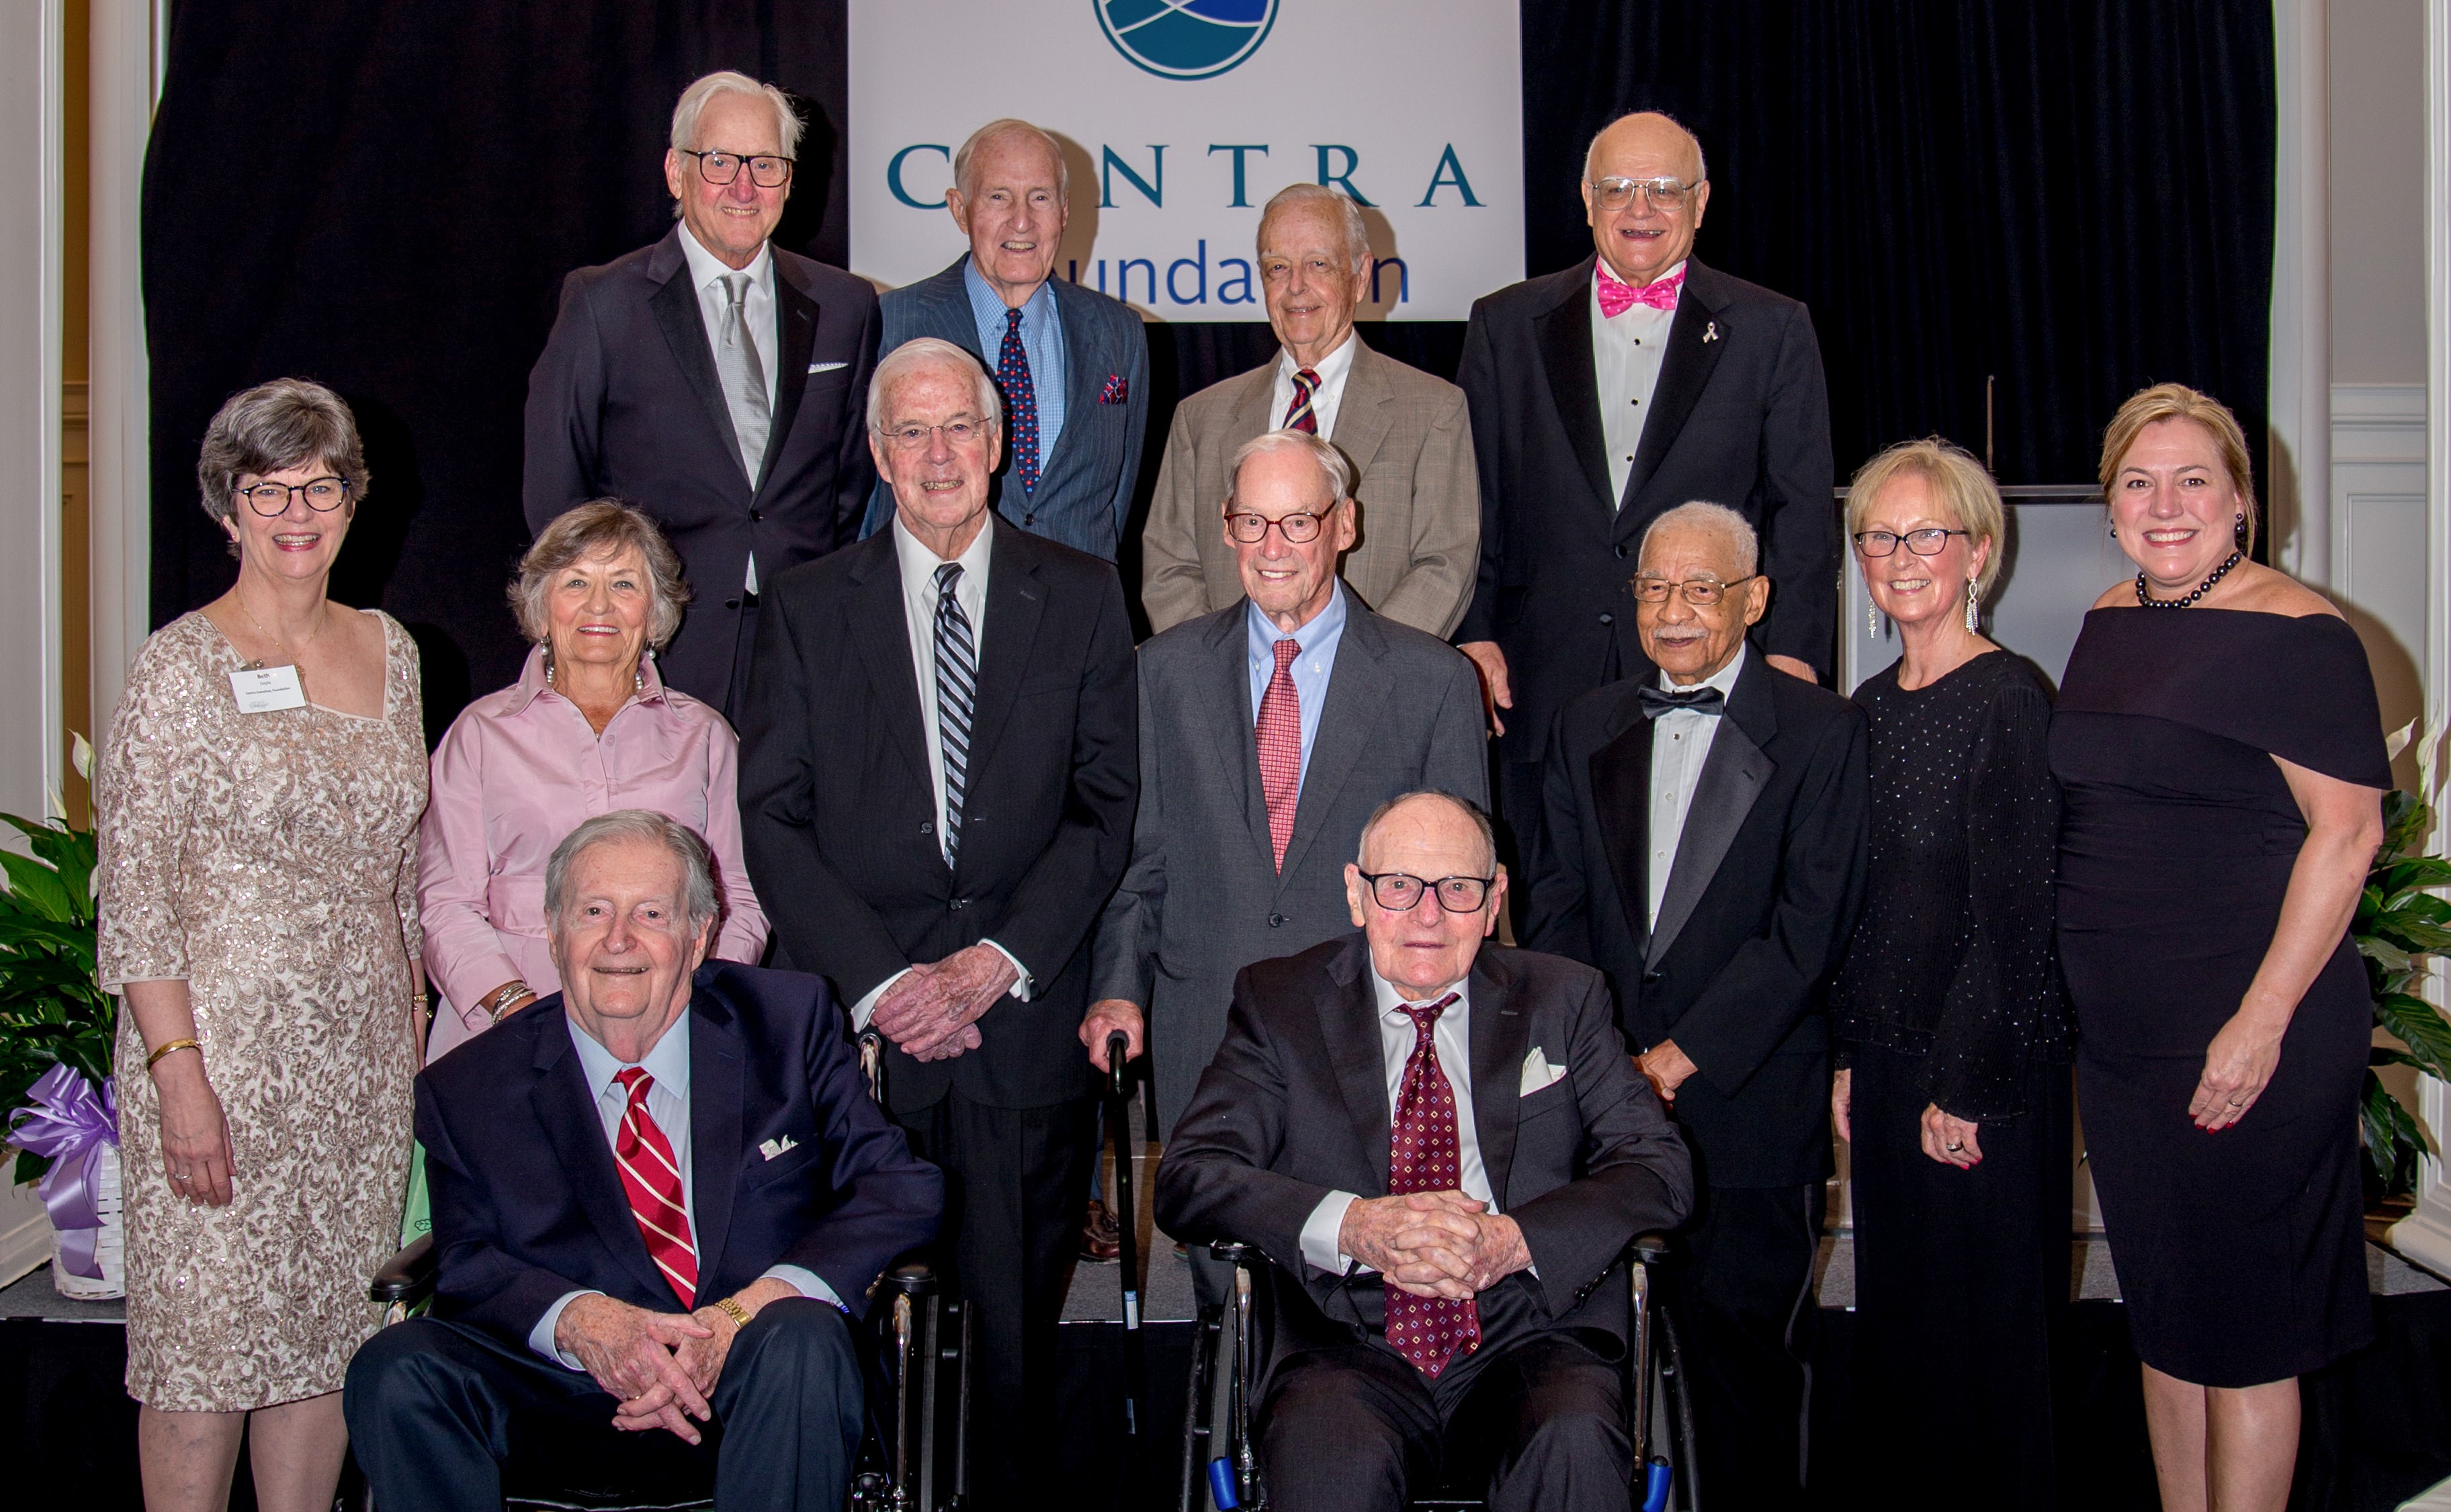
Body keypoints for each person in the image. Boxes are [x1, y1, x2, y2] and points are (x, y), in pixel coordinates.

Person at [736, 336, 1137, 1486]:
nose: (937, 453)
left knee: (1012, 1347)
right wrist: (888, 985)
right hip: (866, 1048)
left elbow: (1105, 808)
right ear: (876, 453)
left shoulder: (1080, 593)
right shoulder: (811, 605)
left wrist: (992, 963)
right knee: (843, 1336)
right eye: (909, 433)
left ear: (999, 441)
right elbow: (773, 818)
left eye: (958, 426)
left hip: (1020, 1028)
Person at [345, 811, 942, 1511]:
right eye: (593, 911)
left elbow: (901, 1187)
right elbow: (469, 1259)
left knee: (804, 1337)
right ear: (552, 930)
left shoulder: (787, 1021)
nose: (619, 939)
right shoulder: (470, 1084)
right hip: (562, 1394)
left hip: (756, 1384)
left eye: (651, 913)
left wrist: (746, 1312)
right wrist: (583, 1321)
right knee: (395, 1367)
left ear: (698, 937)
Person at [1156, 791, 1693, 1512]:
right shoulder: (1279, 1001)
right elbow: (1191, 1176)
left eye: (1459, 889)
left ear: (1496, 896)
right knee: (1327, 1458)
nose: (1428, 915)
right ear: (1356, 892)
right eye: (1400, 885)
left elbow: (1657, 1168)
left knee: (1572, 1440)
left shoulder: (1564, 998)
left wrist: (1511, 1240)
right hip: (1343, 1336)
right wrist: (1356, 1227)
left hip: (1527, 1331)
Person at [2052, 384, 2388, 1512]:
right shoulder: (2107, 616)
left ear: (2240, 501)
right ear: (2109, 507)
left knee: (2244, 1334)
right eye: (2137, 482)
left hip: (2252, 1028)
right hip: (2127, 1048)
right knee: (2164, 1316)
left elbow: (2346, 838)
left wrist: (2257, 1023)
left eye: (2193, 478)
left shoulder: (2298, 635)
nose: (2164, 503)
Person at [96, 377, 428, 1512]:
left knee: (328, 1343)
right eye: (266, 488)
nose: (298, 511)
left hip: (360, 1075)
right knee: (206, 1353)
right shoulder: (178, 667)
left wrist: (417, 1030)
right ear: (227, 508)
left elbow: (402, 872)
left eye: (321, 484)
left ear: (353, 499)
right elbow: (134, 890)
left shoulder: (392, 653)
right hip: (221, 1062)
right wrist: (173, 1072)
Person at [1523, 500, 1867, 1507]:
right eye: (1653, 587)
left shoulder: (1822, 732)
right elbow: (1555, 901)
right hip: (1602, 1116)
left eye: (1701, 587)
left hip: (1751, 1108)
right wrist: (1607, 1062)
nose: (1673, 611)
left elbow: (1808, 931)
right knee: (1600, 1374)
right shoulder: (1583, 722)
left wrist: (1671, 1061)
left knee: (1750, 1374)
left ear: (1755, 598)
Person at [1085, 429, 1487, 1291]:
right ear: (1225, 529)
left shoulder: (1434, 681)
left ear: (1345, 525)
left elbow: (1460, 894)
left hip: (1368, 1040)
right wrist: (1116, 989)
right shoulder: (1159, 673)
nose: (1272, 549)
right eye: (1251, 523)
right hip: (1207, 1036)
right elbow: (1137, 864)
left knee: (1364, 1311)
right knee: (1220, 1307)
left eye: (1297, 523)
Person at [1455, 111, 1835, 864]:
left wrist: (1793, 654)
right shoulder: (1506, 324)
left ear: (1700, 203)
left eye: (1664, 189)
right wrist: (1476, 628)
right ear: (1587, 200)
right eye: (1620, 188)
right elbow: (1479, 499)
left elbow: (1800, 509)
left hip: (1708, 664)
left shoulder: (1773, 330)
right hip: (1542, 678)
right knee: (1549, 912)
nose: (1641, 210)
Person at [1825, 439, 2070, 1506]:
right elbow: (1851, 908)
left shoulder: (2012, 697)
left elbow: (2018, 917)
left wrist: (1963, 1084)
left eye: (1926, 534)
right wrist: (1844, 1059)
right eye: (1879, 536)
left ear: (1978, 552)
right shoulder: (1865, 707)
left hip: (1982, 1071)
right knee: (1905, 1335)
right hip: (1882, 1066)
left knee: (1988, 1346)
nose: (1900, 555)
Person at [524, 71, 883, 717]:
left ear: (790, 179)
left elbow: (850, 488)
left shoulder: (846, 305)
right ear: (675, 171)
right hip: (655, 653)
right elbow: (556, 496)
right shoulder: (604, 305)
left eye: (766, 164)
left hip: (803, 652)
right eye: (720, 161)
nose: (744, 187)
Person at [418, 500, 769, 1063]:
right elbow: (445, 904)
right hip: (504, 1034)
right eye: (576, 582)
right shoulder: (480, 734)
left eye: (624, 583)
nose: (599, 605)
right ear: (541, 607)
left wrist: (693, 1005)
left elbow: (741, 899)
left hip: (668, 1038)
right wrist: (520, 1013)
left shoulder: (704, 737)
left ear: (653, 610)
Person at [1141, 184, 1479, 637]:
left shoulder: (1434, 411)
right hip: (1230, 695)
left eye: (1318, 264)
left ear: (1360, 276)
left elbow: (1445, 565)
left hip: (1370, 695)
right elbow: (1169, 568)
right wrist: (1220, 673)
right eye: (1278, 267)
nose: (1296, 286)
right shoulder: (1199, 419)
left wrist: (1357, 671)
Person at [859, 118, 1148, 560]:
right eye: (999, 197)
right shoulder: (891, 325)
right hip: (940, 607)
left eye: (1040, 198)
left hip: (1078, 611)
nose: (1022, 221)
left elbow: (1120, 498)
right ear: (960, 209)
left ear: (1065, 211)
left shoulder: (1118, 331)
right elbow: (867, 498)